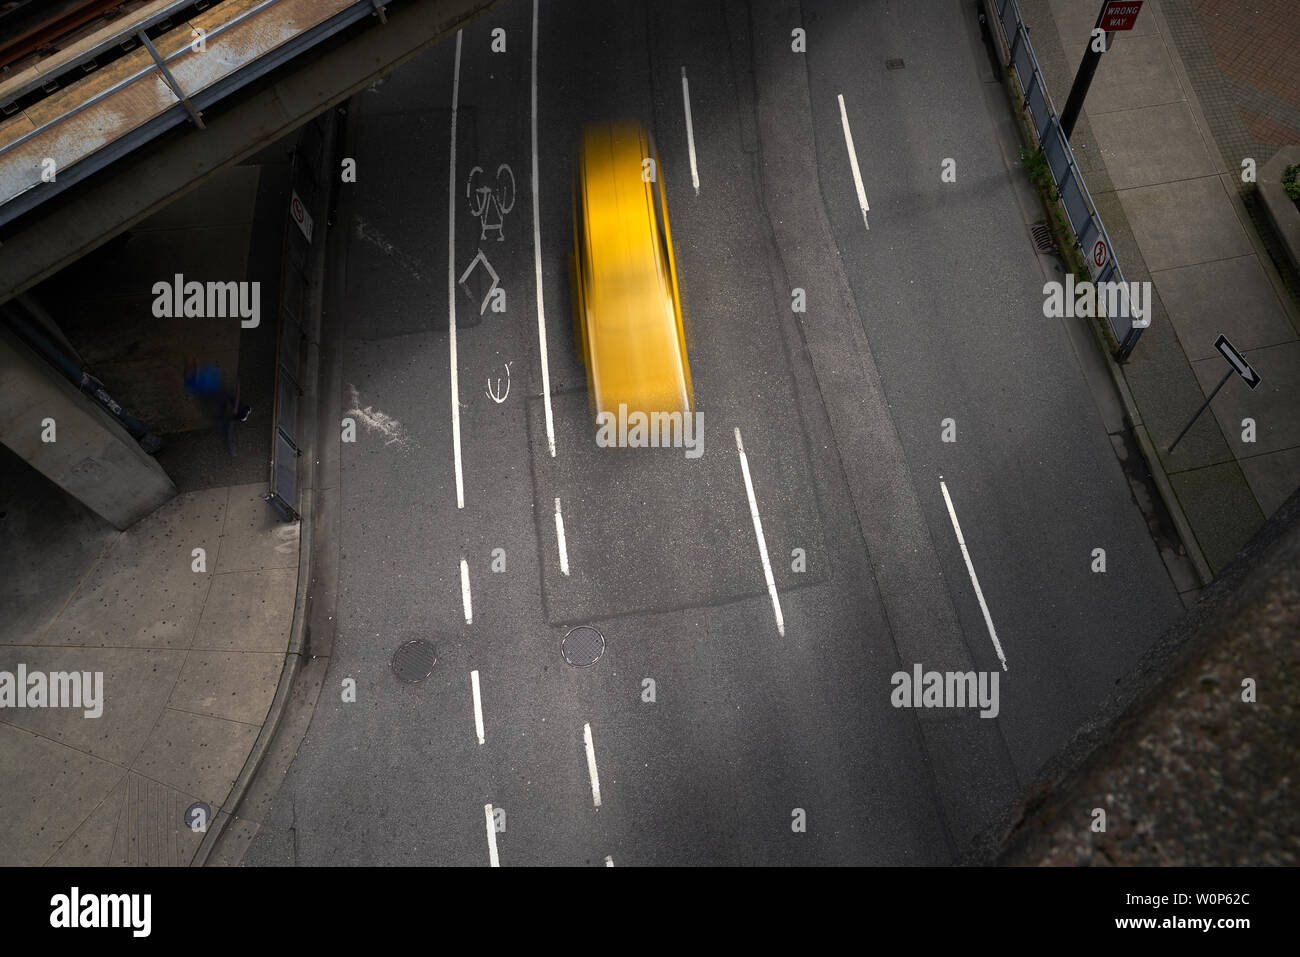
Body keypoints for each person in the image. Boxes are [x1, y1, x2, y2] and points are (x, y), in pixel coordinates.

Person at [183, 359, 250, 454]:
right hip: (214, 397)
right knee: (225, 418)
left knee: (229, 407)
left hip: (217, 392)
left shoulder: (200, 374)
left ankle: (241, 413)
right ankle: (230, 444)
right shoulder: (196, 379)